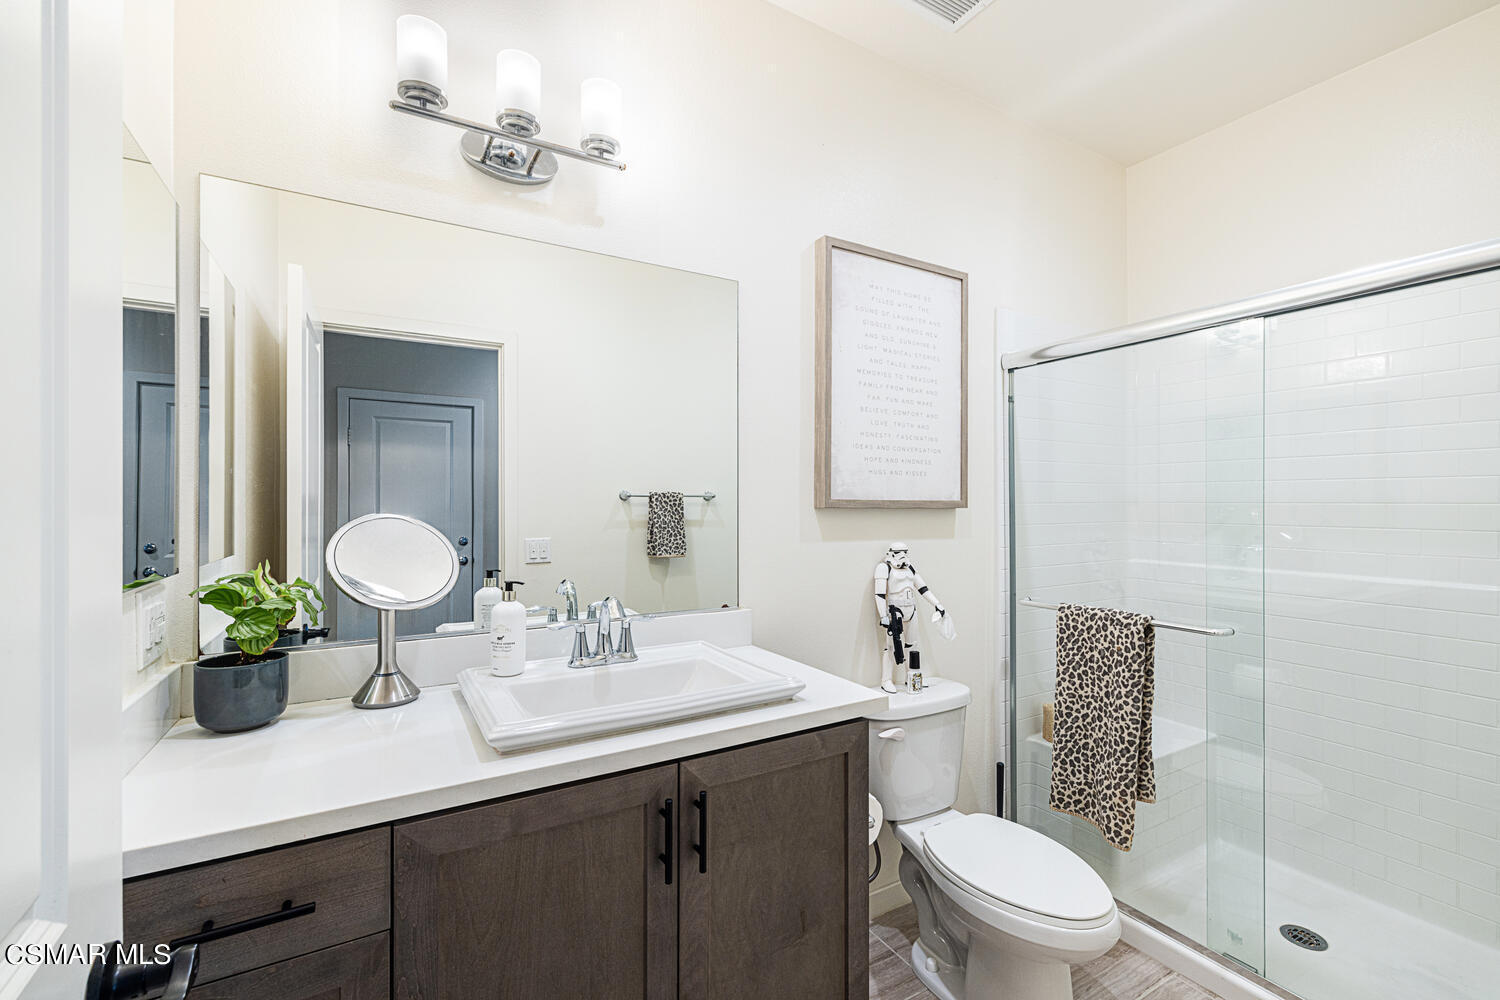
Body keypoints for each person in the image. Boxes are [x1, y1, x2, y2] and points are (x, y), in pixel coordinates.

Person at [873, 542, 955, 693]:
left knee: (912, 646)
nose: (903, 555)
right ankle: (886, 679)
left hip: (911, 609)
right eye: (899, 552)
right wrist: (883, 615)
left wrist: (937, 604)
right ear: (891, 553)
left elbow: (923, 588)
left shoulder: (909, 568)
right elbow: (879, 594)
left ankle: (911, 676)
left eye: (905, 551)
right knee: (891, 647)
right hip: (894, 610)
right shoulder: (884, 568)